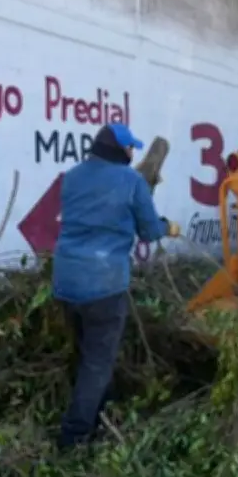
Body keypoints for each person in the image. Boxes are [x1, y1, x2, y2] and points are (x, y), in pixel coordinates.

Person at [52, 123, 180, 450]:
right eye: (130, 148)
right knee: (98, 362)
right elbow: (149, 231)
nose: (133, 153)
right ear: (122, 150)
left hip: (66, 280)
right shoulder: (131, 181)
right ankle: (74, 438)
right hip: (103, 284)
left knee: (87, 353)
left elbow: (98, 209)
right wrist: (170, 226)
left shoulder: (72, 176)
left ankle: (97, 414)